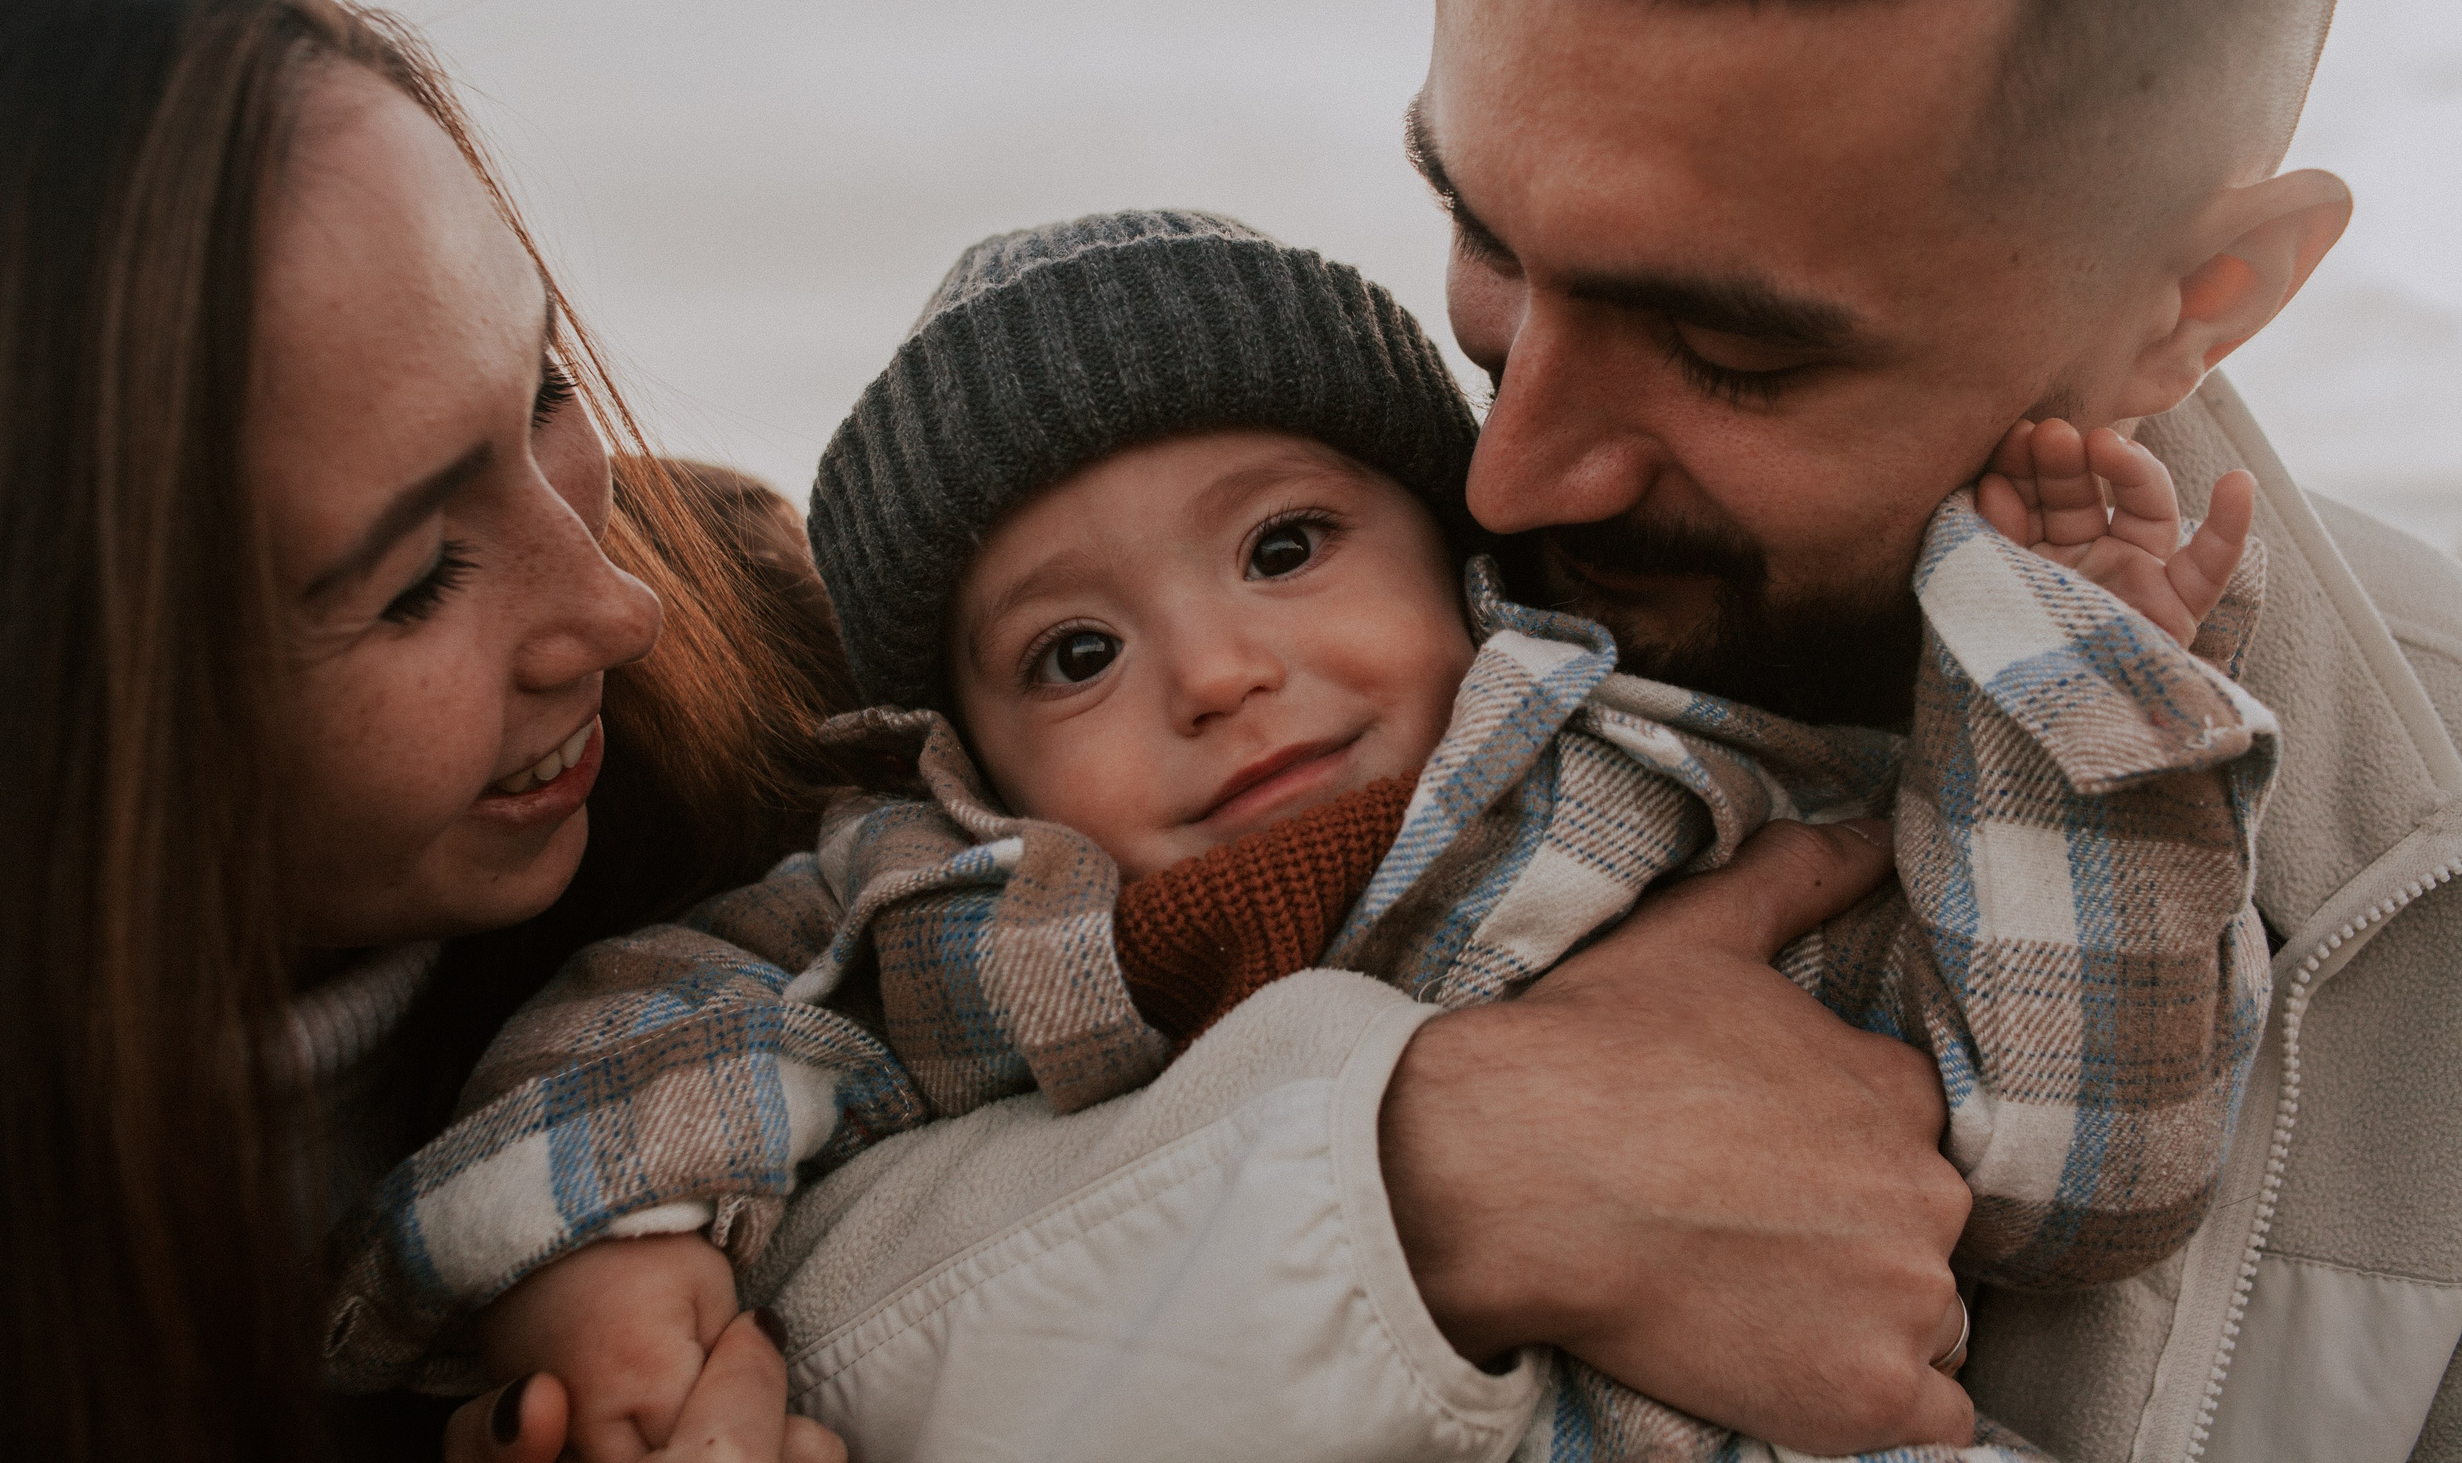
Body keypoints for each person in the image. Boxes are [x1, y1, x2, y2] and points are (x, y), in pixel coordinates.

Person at [498, 0, 2452, 1462]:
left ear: (2196, 298)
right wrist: (1410, 1186)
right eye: (1483, 237)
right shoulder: (1053, 827)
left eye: (1720, 348)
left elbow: (2075, 1145)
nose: (1503, 476)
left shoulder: (2415, 894)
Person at [328, 211, 2273, 1463]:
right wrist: (605, 1261)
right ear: (971, 756)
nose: (1214, 669)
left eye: (1282, 546)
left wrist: (2050, 668)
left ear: (1457, 551)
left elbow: (2076, 1151)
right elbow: (659, 1008)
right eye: (1071, 652)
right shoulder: (939, 904)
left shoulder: (1684, 778)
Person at [0, 0, 845, 1463]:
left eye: (545, 392)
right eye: (417, 585)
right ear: (33, 714)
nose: (619, 611)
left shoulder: (828, 676)